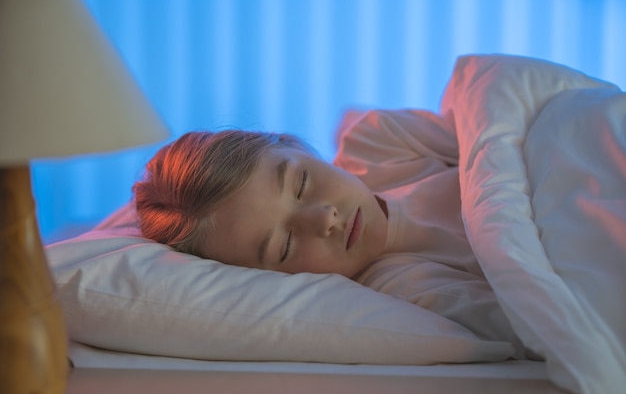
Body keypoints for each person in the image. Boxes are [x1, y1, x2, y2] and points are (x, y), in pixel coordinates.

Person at [133, 109, 482, 281]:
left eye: (301, 183)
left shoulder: (380, 143)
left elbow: (500, 123)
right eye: (283, 246)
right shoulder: (416, 294)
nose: (324, 219)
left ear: (294, 145)